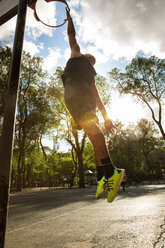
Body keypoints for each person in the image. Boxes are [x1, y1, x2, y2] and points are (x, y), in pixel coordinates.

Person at [61, 8, 125, 203]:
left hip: (78, 97)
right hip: (75, 100)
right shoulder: (89, 73)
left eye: (92, 60)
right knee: (93, 137)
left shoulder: (77, 57)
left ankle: (111, 171)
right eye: (92, 59)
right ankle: (101, 179)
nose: (91, 62)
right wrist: (106, 118)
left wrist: (70, 19)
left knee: (94, 134)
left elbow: (71, 35)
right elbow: (98, 98)